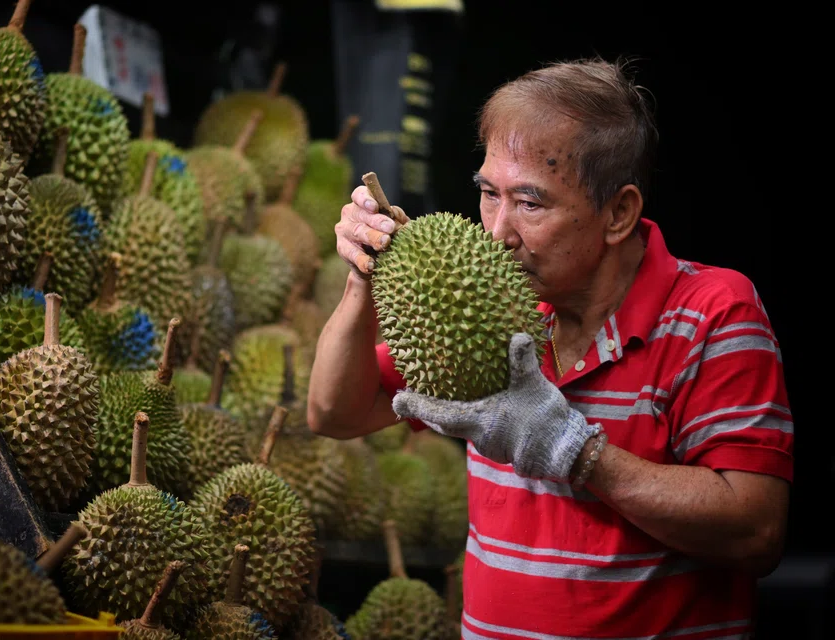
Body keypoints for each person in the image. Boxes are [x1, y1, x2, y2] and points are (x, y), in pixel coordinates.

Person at [307, 56, 793, 638]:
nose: (497, 232)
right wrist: (363, 280)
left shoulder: (714, 313)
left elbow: (757, 531)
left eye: (530, 203)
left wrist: (577, 452)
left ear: (619, 213)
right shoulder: (493, 310)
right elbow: (333, 413)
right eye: (489, 194)